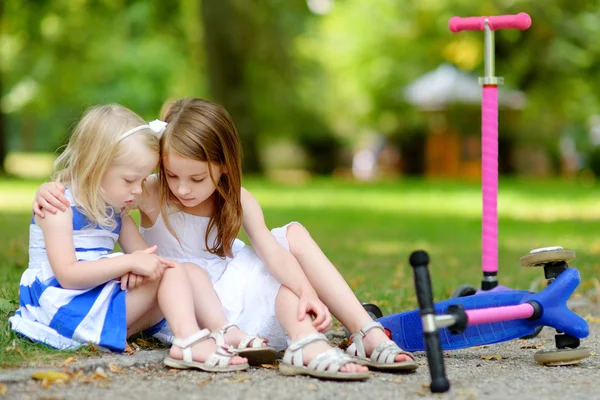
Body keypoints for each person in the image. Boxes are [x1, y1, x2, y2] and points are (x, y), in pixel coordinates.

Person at [33, 98, 418, 379]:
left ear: (222, 168)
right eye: (172, 175)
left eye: (197, 178)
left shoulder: (238, 200)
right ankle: (309, 344)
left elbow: (271, 253)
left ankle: (361, 332)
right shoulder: (150, 191)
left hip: (234, 280)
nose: (182, 189)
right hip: (195, 300)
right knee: (272, 279)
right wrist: (48, 189)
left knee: (291, 240)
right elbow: (99, 179)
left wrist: (306, 291)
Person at [13, 104, 248, 372]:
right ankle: (188, 342)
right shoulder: (58, 206)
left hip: (97, 298)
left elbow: (150, 258)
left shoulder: (117, 211)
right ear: (94, 167)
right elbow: (68, 275)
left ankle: (222, 330)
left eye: (143, 180)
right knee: (172, 273)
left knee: (185, 270)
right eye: (129, 180)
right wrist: (128, 264)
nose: (138, 190)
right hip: (65, 305)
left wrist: (142, 266)